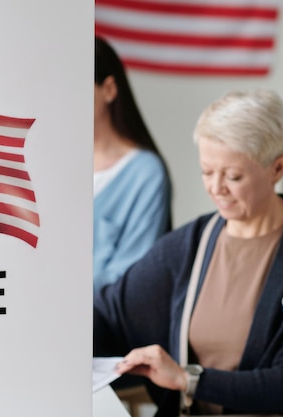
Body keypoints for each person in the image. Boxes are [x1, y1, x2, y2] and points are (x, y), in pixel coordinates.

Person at [93, 89, 283, 416]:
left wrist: (188, 379)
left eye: (233, 176)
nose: (216, 187)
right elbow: (110, 313)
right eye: (207, 171)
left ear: (277, 169)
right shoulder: (193, 244)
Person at [93, 36, 172, 292]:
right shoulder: (53, 164)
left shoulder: (145, 174)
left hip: (101, 327)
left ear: (109, 89)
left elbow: (130, 275)